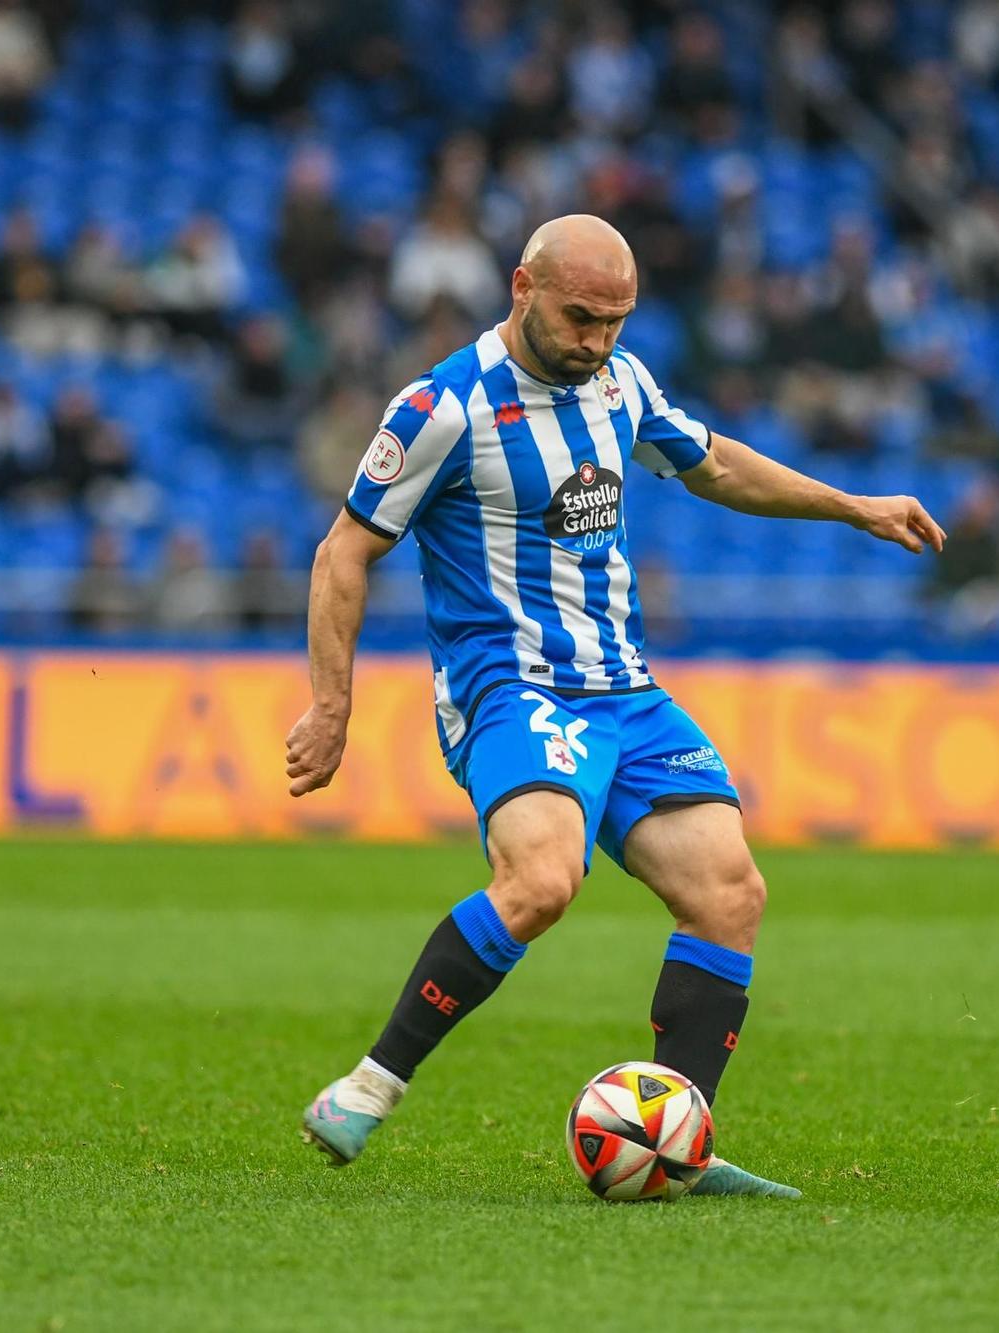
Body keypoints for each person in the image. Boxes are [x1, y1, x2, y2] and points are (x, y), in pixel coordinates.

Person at [287, 215, 945, 1199]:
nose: (597, 340)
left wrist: (853, 506)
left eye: (615, 322)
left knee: (730, 894)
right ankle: (371, 1086)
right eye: (581, 317)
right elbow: (345, 548)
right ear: (522, 286)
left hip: (625, 693)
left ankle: (675, 1137)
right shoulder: (442, 406)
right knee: (543, 879)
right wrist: (330, 706)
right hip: (510, 687)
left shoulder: (619, 384)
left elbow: (713, 462)